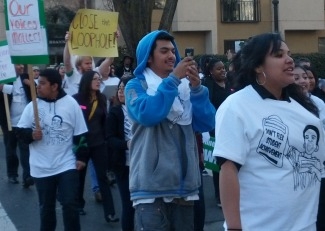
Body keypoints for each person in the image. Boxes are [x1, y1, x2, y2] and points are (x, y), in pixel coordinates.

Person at [213, 32, 325, 230]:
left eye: (289, 54)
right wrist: (234, 227)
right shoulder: (237, 106)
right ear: (257, 65)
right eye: (279, 55)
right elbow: (228, 170)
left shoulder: (306, 110)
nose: (290, 60)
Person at [124, 30, 216, 231]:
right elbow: (148, 114)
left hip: (186, 186)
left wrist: (197, 89)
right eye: (164, 51)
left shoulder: (185, 87)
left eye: (173, 51)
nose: (172, 56)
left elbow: (207, 123)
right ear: (148, 57)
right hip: (150, 189)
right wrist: (173, 79)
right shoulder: (136, 85)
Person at [16, 68, 88, 231]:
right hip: (41, 168)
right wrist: (31, 135)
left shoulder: (71, 104)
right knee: (46, 209)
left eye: (42, 83)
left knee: (70, 204)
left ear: (54, 86)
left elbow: (81, 134)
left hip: (66, 164)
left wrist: (81, 158)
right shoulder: (32, 106)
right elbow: (20, 133)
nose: (37, 87)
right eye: (37, 83)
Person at [73, 70, 119, 222]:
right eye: (95, 79)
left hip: (99, 144)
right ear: (87, 81)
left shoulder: (102, 97)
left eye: (99, 79)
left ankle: (110, 213)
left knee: (102, 178)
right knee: (79, 177)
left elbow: (104, 121)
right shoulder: (76, 99)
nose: (98, 81)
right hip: (82, 143)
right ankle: (79, 204)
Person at [202, 58, 233, 208]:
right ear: (211, 71)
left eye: (223, 68)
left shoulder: (231, 84)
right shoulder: (207, 87)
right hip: (214, 129)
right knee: (217, 165)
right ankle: (219, 195)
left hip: (232, 128)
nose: (223, 70)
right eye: (219, 69)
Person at [107, 76, 135, 231]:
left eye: (125, 88)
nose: (121, 92)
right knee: (128, 205)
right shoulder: (115, 112)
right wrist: (126, 144)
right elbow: (110, 139)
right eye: (119, 88)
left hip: (142, 164)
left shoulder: (140, 109)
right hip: (124, 166)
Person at [0, 64, 34, 188]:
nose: (21, 67)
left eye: (21, 65)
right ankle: (12, 174)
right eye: (17, 65)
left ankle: (27, 176)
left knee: (25, 149)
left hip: (24, 121)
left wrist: (31, 85)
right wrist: (4, 88)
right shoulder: (3, 78)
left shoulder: (26, 77)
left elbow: (36, 92)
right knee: (11, 149)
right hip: (9, 121)